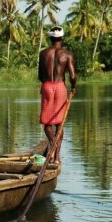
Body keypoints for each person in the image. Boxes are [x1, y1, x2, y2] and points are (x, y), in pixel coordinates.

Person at [38, 26, 76, 164]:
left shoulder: (43, 54)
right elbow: (72, 75)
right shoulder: (67, 54)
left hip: (47, 86)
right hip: (60, 87)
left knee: (47, 124)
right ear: (62, 38)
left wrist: (46, 84)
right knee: (60, 123)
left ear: (50, 38)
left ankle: (53, 151)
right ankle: (57, 157)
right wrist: (74, 87)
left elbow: (40, 75)